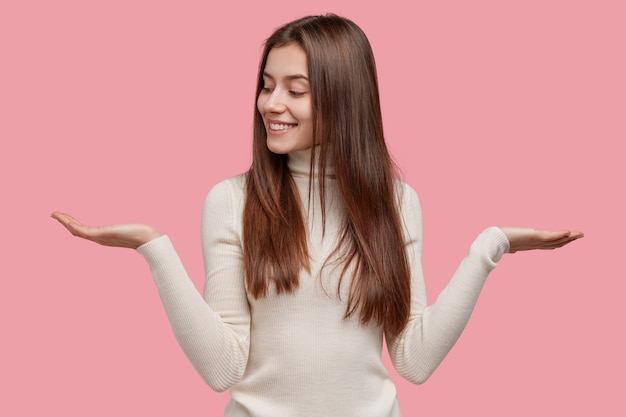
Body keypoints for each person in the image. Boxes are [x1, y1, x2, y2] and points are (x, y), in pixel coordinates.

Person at [52, 14, 583, 417]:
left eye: (295, 90)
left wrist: (490, 247)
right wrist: (154, 248)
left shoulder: (396, 204)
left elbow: (415, 360)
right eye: (266, 84)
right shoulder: (232, 200)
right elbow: (223, 368)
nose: (270, 104)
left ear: (344, 98)